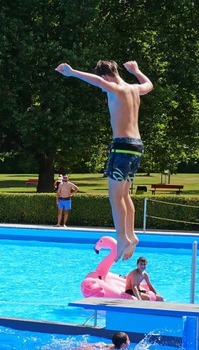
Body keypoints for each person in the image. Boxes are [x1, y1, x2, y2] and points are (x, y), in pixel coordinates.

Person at [56, 60, 153, 261]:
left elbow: (99, 83)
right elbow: (149, 85)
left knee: (114, 196)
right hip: (136, 147)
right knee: (124, 194)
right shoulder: (134, 89)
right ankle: (131, 235)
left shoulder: (115, 88)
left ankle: (122, 239)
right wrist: (136, 71)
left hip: (122, 146)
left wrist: (73, 72)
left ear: (104, 76)